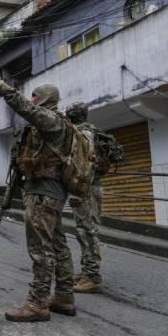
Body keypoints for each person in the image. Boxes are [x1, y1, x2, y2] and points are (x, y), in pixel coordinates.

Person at [0, 71, 75, 322]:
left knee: (40, 248)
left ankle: (37, 303)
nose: (31, 100)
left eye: (35, 97)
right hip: (48, 192)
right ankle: (64, 296)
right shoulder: (54, 122)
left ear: (45, 99)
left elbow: (24, 108)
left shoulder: (50, 120)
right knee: (57, 244)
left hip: (44, 193)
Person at [65, 102, 102, 293]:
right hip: (89, 188)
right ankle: (86, 271)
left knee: (88, 231)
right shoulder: (88, 131)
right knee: (83, 231)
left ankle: (92, 277)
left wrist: (78, 189)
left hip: (86, 189)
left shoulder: (83, 134)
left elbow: (84, 165)